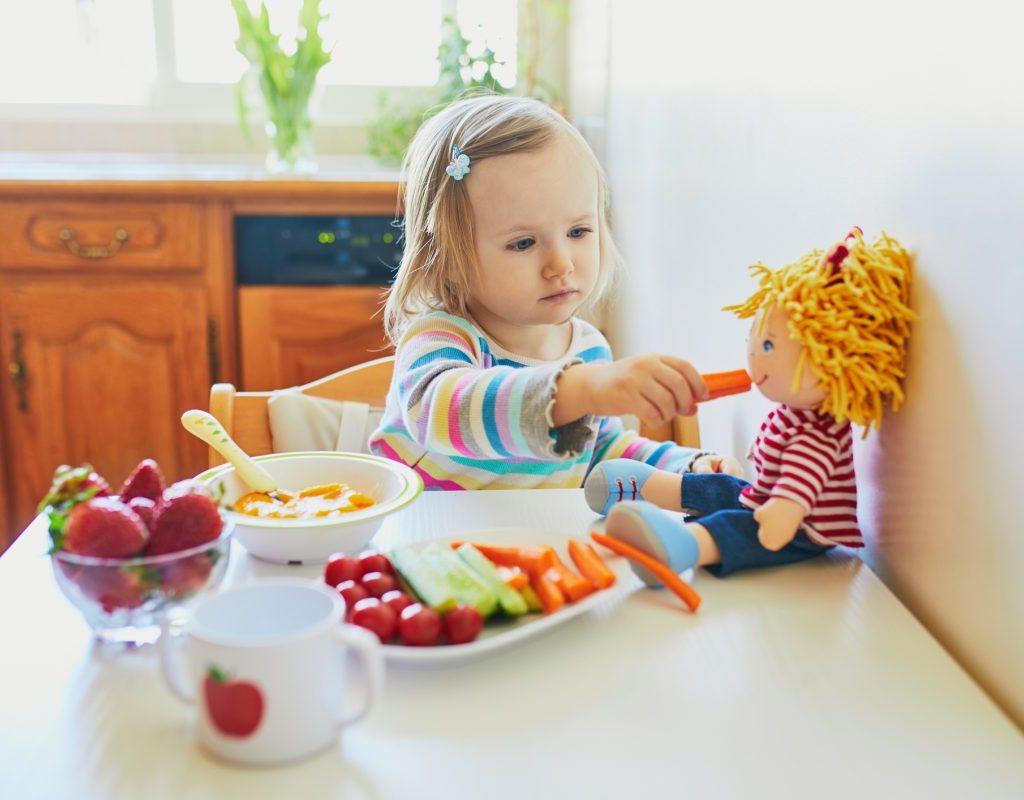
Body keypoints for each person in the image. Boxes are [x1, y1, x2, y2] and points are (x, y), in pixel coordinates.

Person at [369, 93, 741, 489]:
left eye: (578, 232)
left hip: (535, 543)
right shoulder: (441, 339)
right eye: (523, 243)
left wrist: (688, 465)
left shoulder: (587, 349)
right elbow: (443, 412)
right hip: (426, 543)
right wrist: (583, 389)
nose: (561, 264)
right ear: (448, 256)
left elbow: (602, 451)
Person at [583, 228, 914, 582]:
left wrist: (782, 514)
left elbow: (801, 482)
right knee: (723, 486)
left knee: (737, 526)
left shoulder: (820, 435)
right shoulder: (797, 413)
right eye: (754, 338)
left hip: (799, 529)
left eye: (768, 347)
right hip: (764, 498)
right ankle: (645, 485)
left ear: (831, 359)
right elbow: (780, 439)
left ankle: (683, 545)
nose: (754, 355)